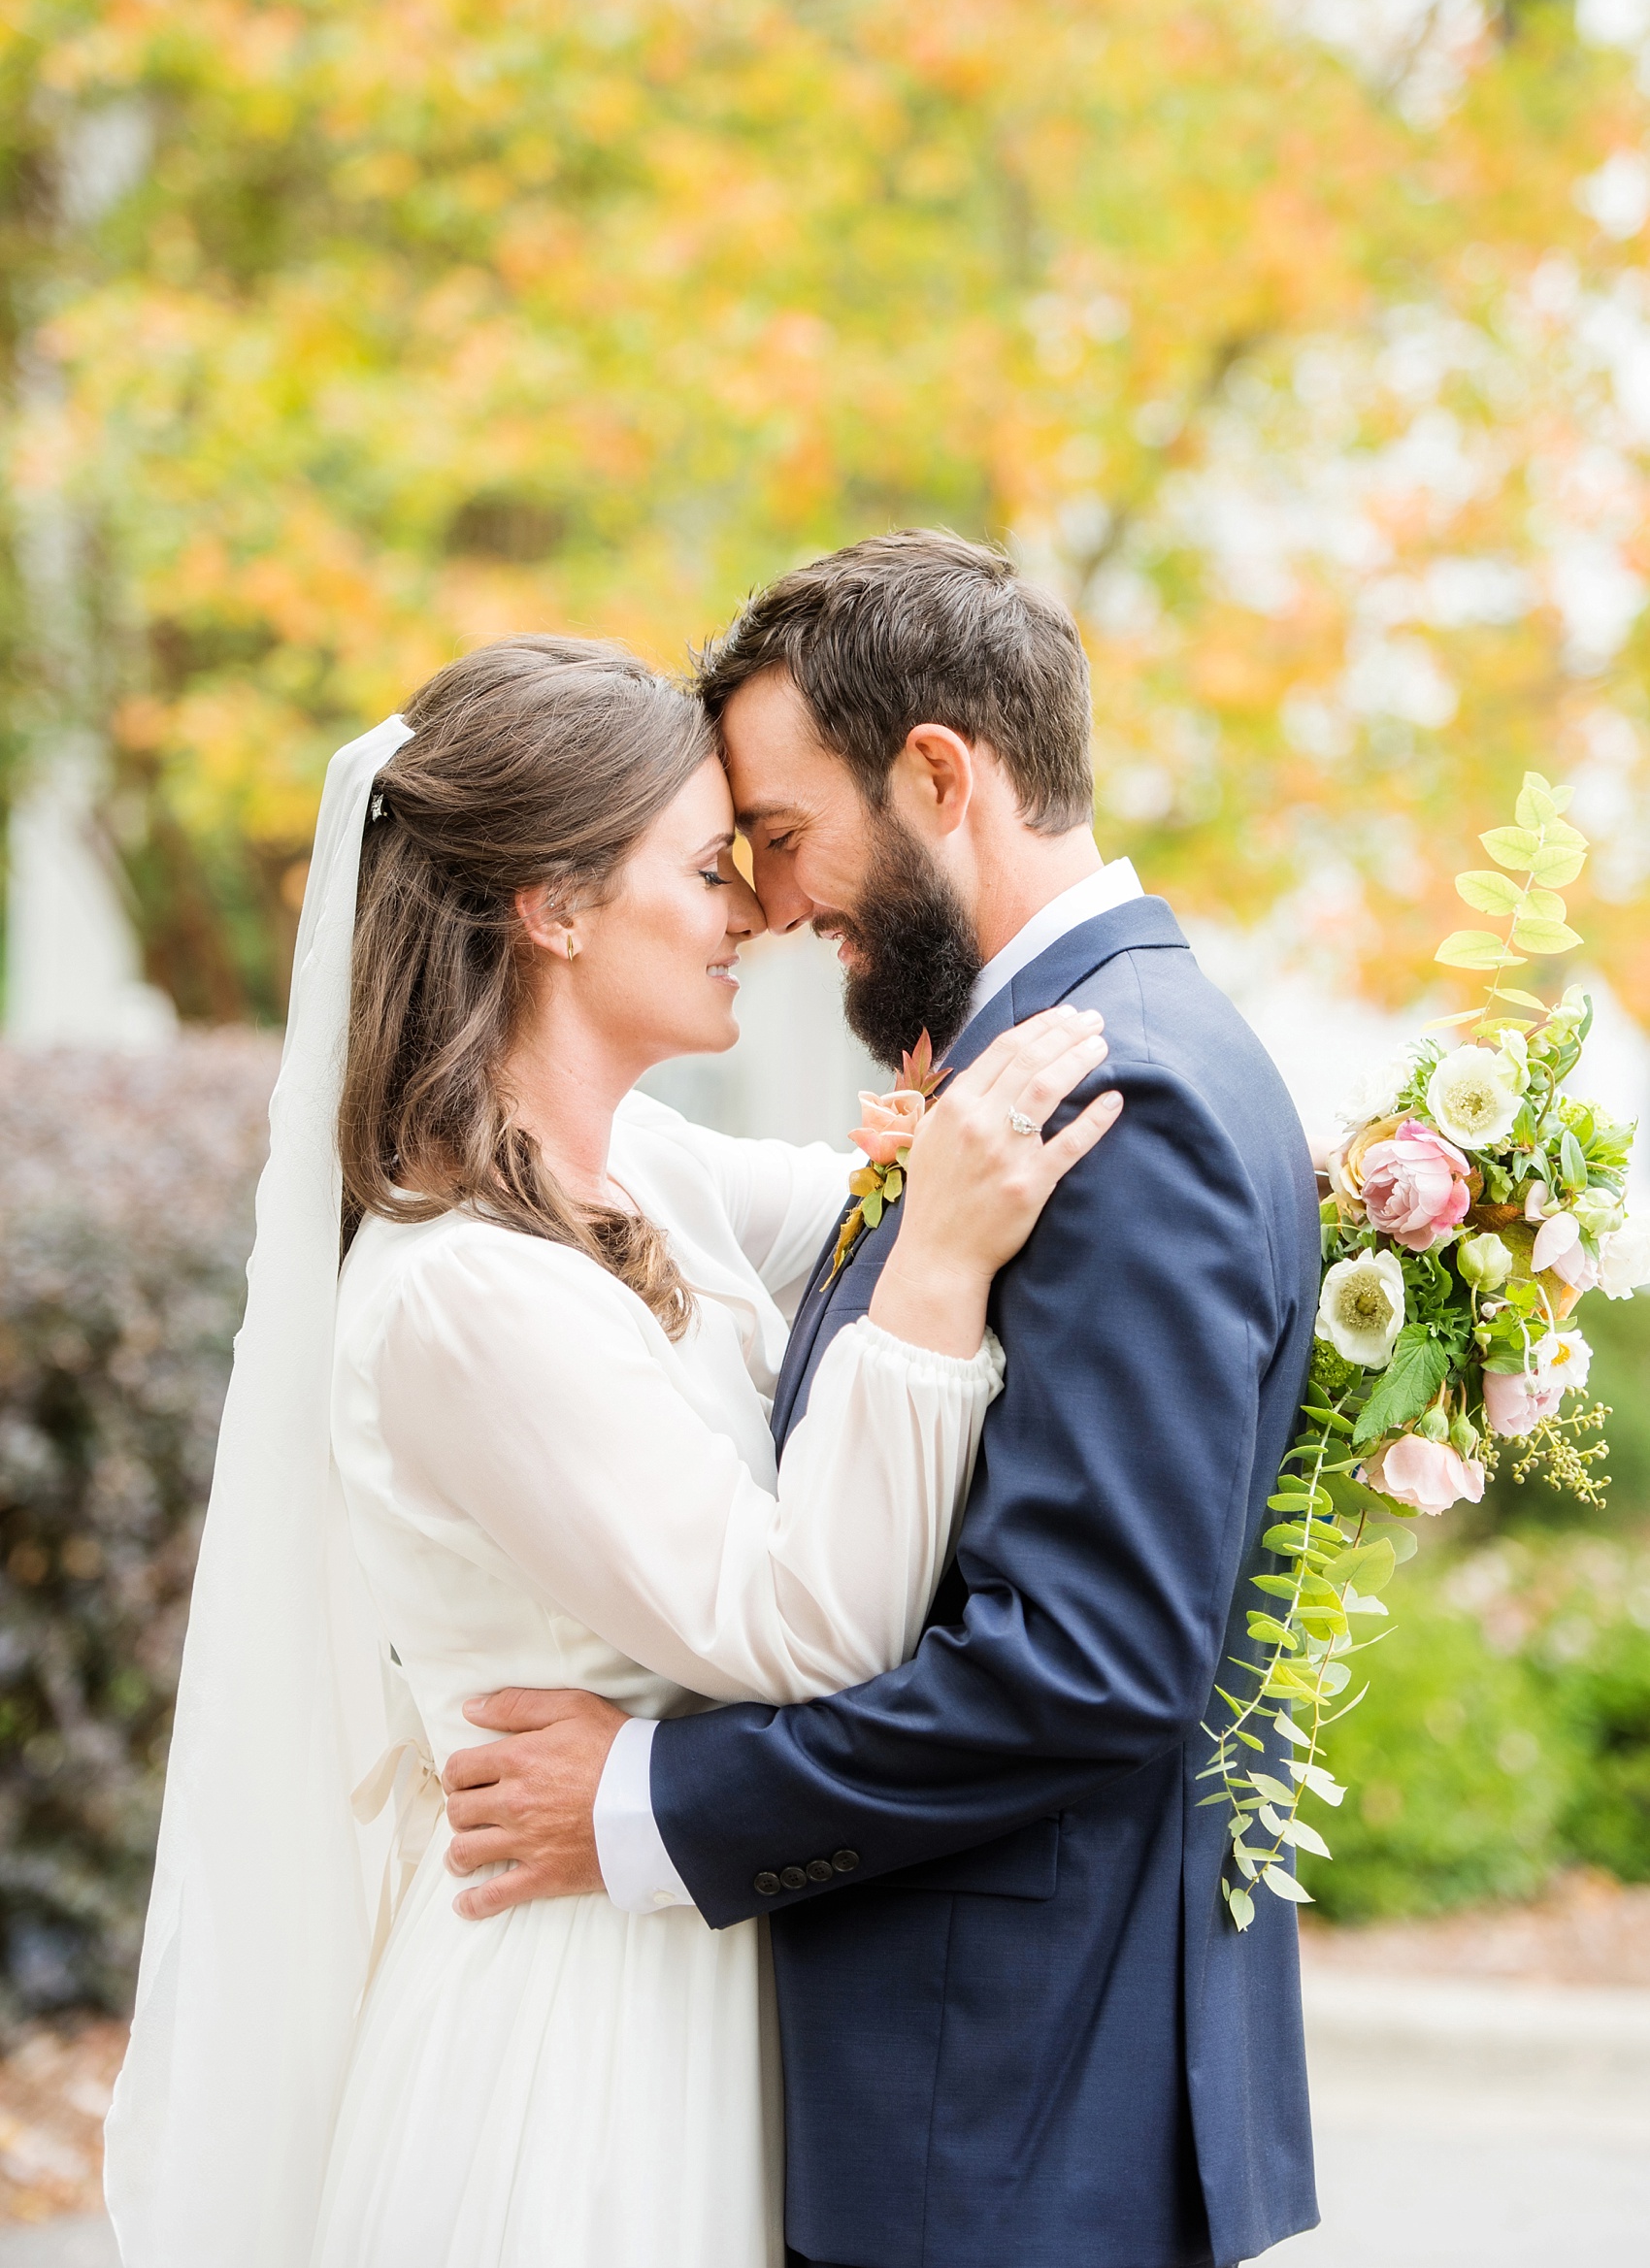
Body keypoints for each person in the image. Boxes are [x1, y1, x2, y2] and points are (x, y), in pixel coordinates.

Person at [103, 632, 1120, 2268]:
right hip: (575, 2042)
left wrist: (1411, 1193)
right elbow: (805, 1625)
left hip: (709, 1960)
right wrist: (933, 1268)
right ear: (554, 905)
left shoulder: (639, 1162)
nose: (756, 912)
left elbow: (907, 1186)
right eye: (709, 866)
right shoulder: (461, 1291)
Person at [443, 533, 1324, 2268]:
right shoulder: (1049, 1065)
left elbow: (1084, 1665)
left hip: (1001, 2118)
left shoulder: (1104, 1097)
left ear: (938, 773)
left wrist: (645, 1801)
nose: (772, 905)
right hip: (993, 2107)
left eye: (780, 836)